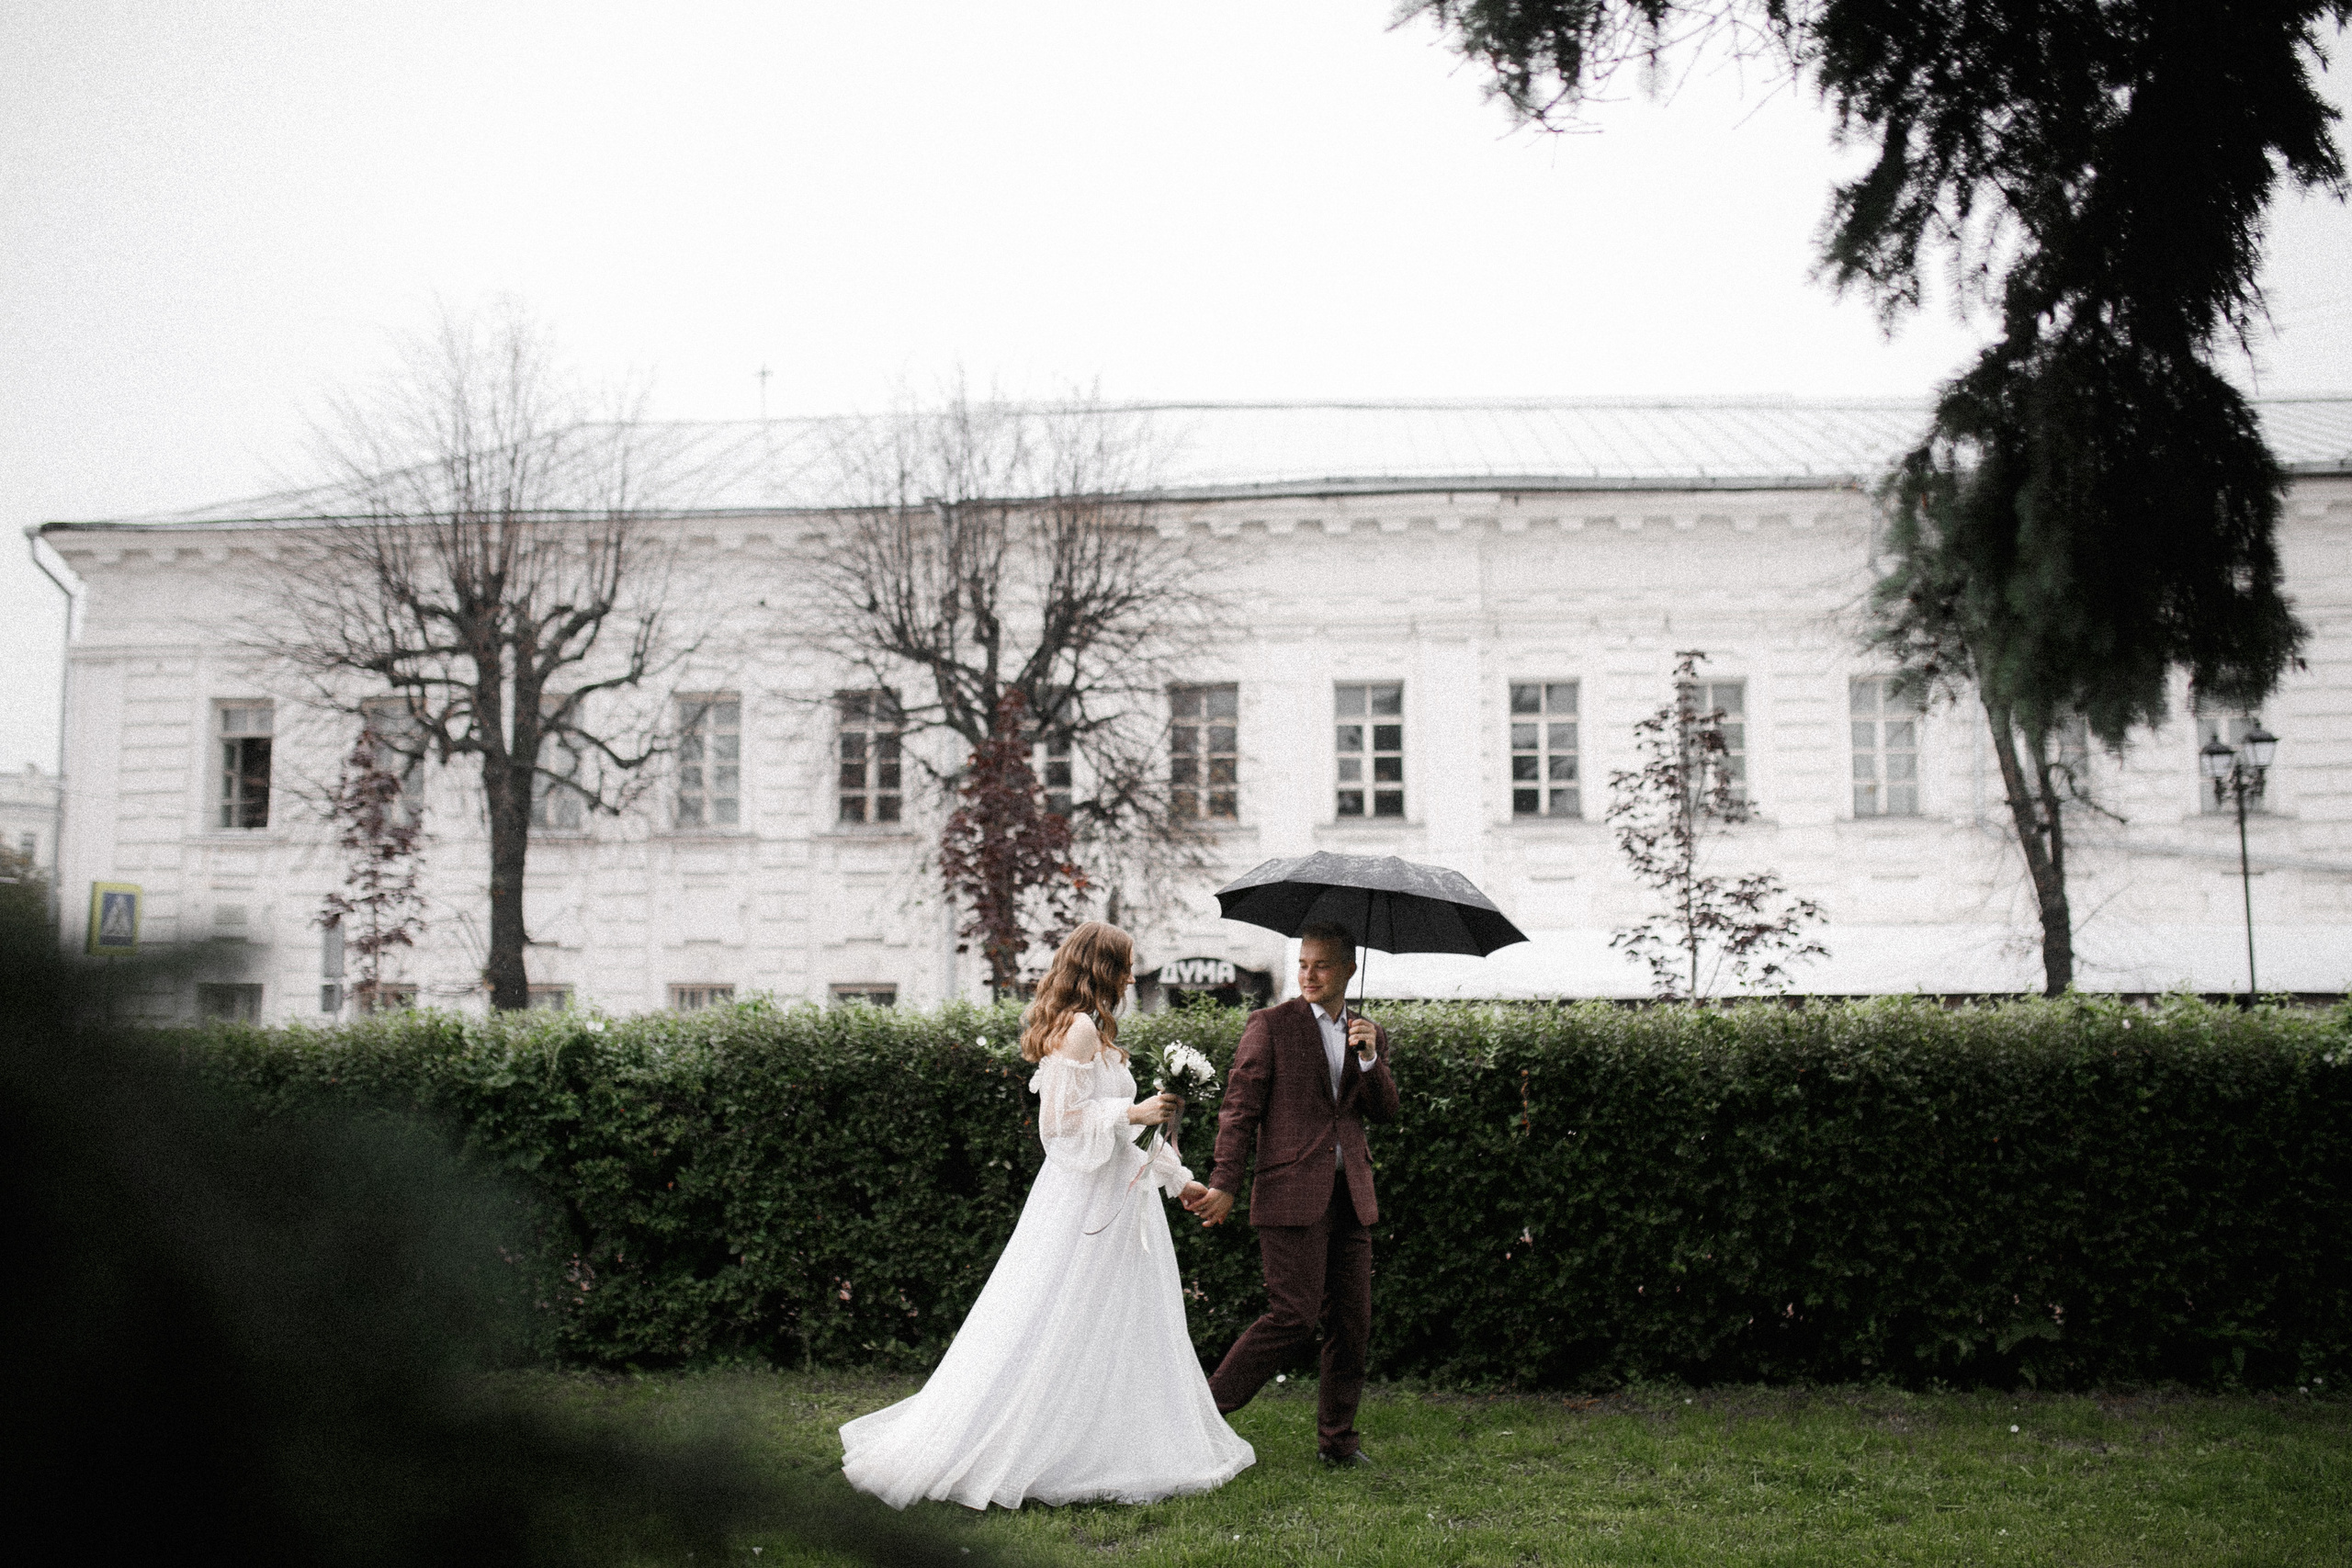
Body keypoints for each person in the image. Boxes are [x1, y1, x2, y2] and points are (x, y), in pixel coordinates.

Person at [840, 920, 1255, 1509]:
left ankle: (1103, 1435)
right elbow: (1058, 1125)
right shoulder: (1081, 1028)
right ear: (1100, 969)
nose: (1133, 976)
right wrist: (1133, 1112)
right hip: (1083, 1204)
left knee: (1111, 1322)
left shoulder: (1098, 1029)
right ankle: (1045, 1441)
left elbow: (1114, 1138)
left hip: (1112, 1191)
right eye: (1125, 965)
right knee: (1058, 1317)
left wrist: (1180, 1178)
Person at [1182, 922, 1398, 1467]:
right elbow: (1239, 1110)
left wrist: (1371, 1060)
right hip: (1289, 1190)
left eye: (1321, 965)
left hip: (1351, 1195)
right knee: (1292, 1317)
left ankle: (1339, 1444)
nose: (1308, 974)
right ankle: (1199, 1418)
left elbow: (1385, 1113)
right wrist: (1225, 1183)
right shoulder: (1270, 1026)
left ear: (1349, 968)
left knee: (1352, 1323)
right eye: (1303, 963)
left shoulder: (1367, 1033)